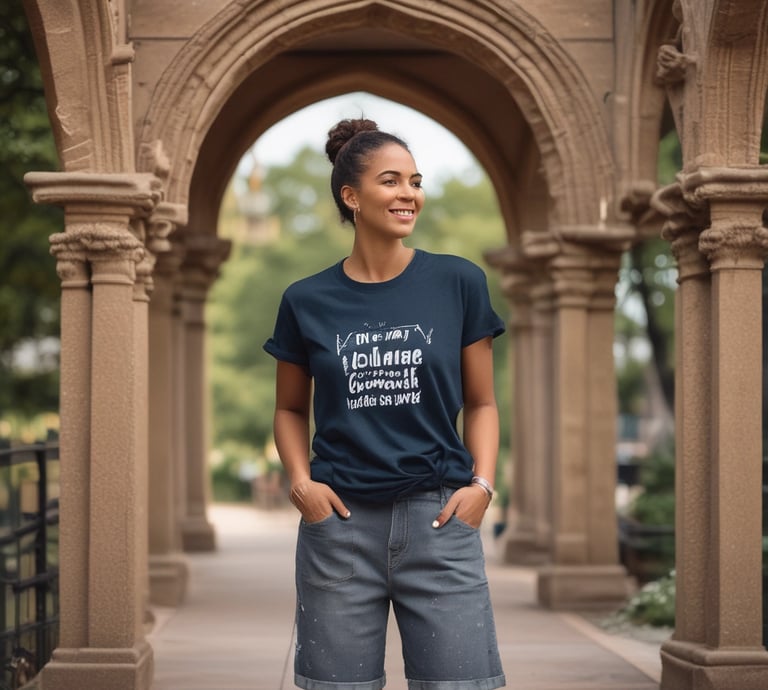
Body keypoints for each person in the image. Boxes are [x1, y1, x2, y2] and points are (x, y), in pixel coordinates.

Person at [264, 117, 506, 690]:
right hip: (340, 525)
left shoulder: (458, 282)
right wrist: (301, 484)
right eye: (392, 181)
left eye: (415, 182)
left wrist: (483, 487)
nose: (409, 195)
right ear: (351, 196)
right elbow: (290, 409)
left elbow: (483, 402)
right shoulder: (306, 300)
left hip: (440, 518)